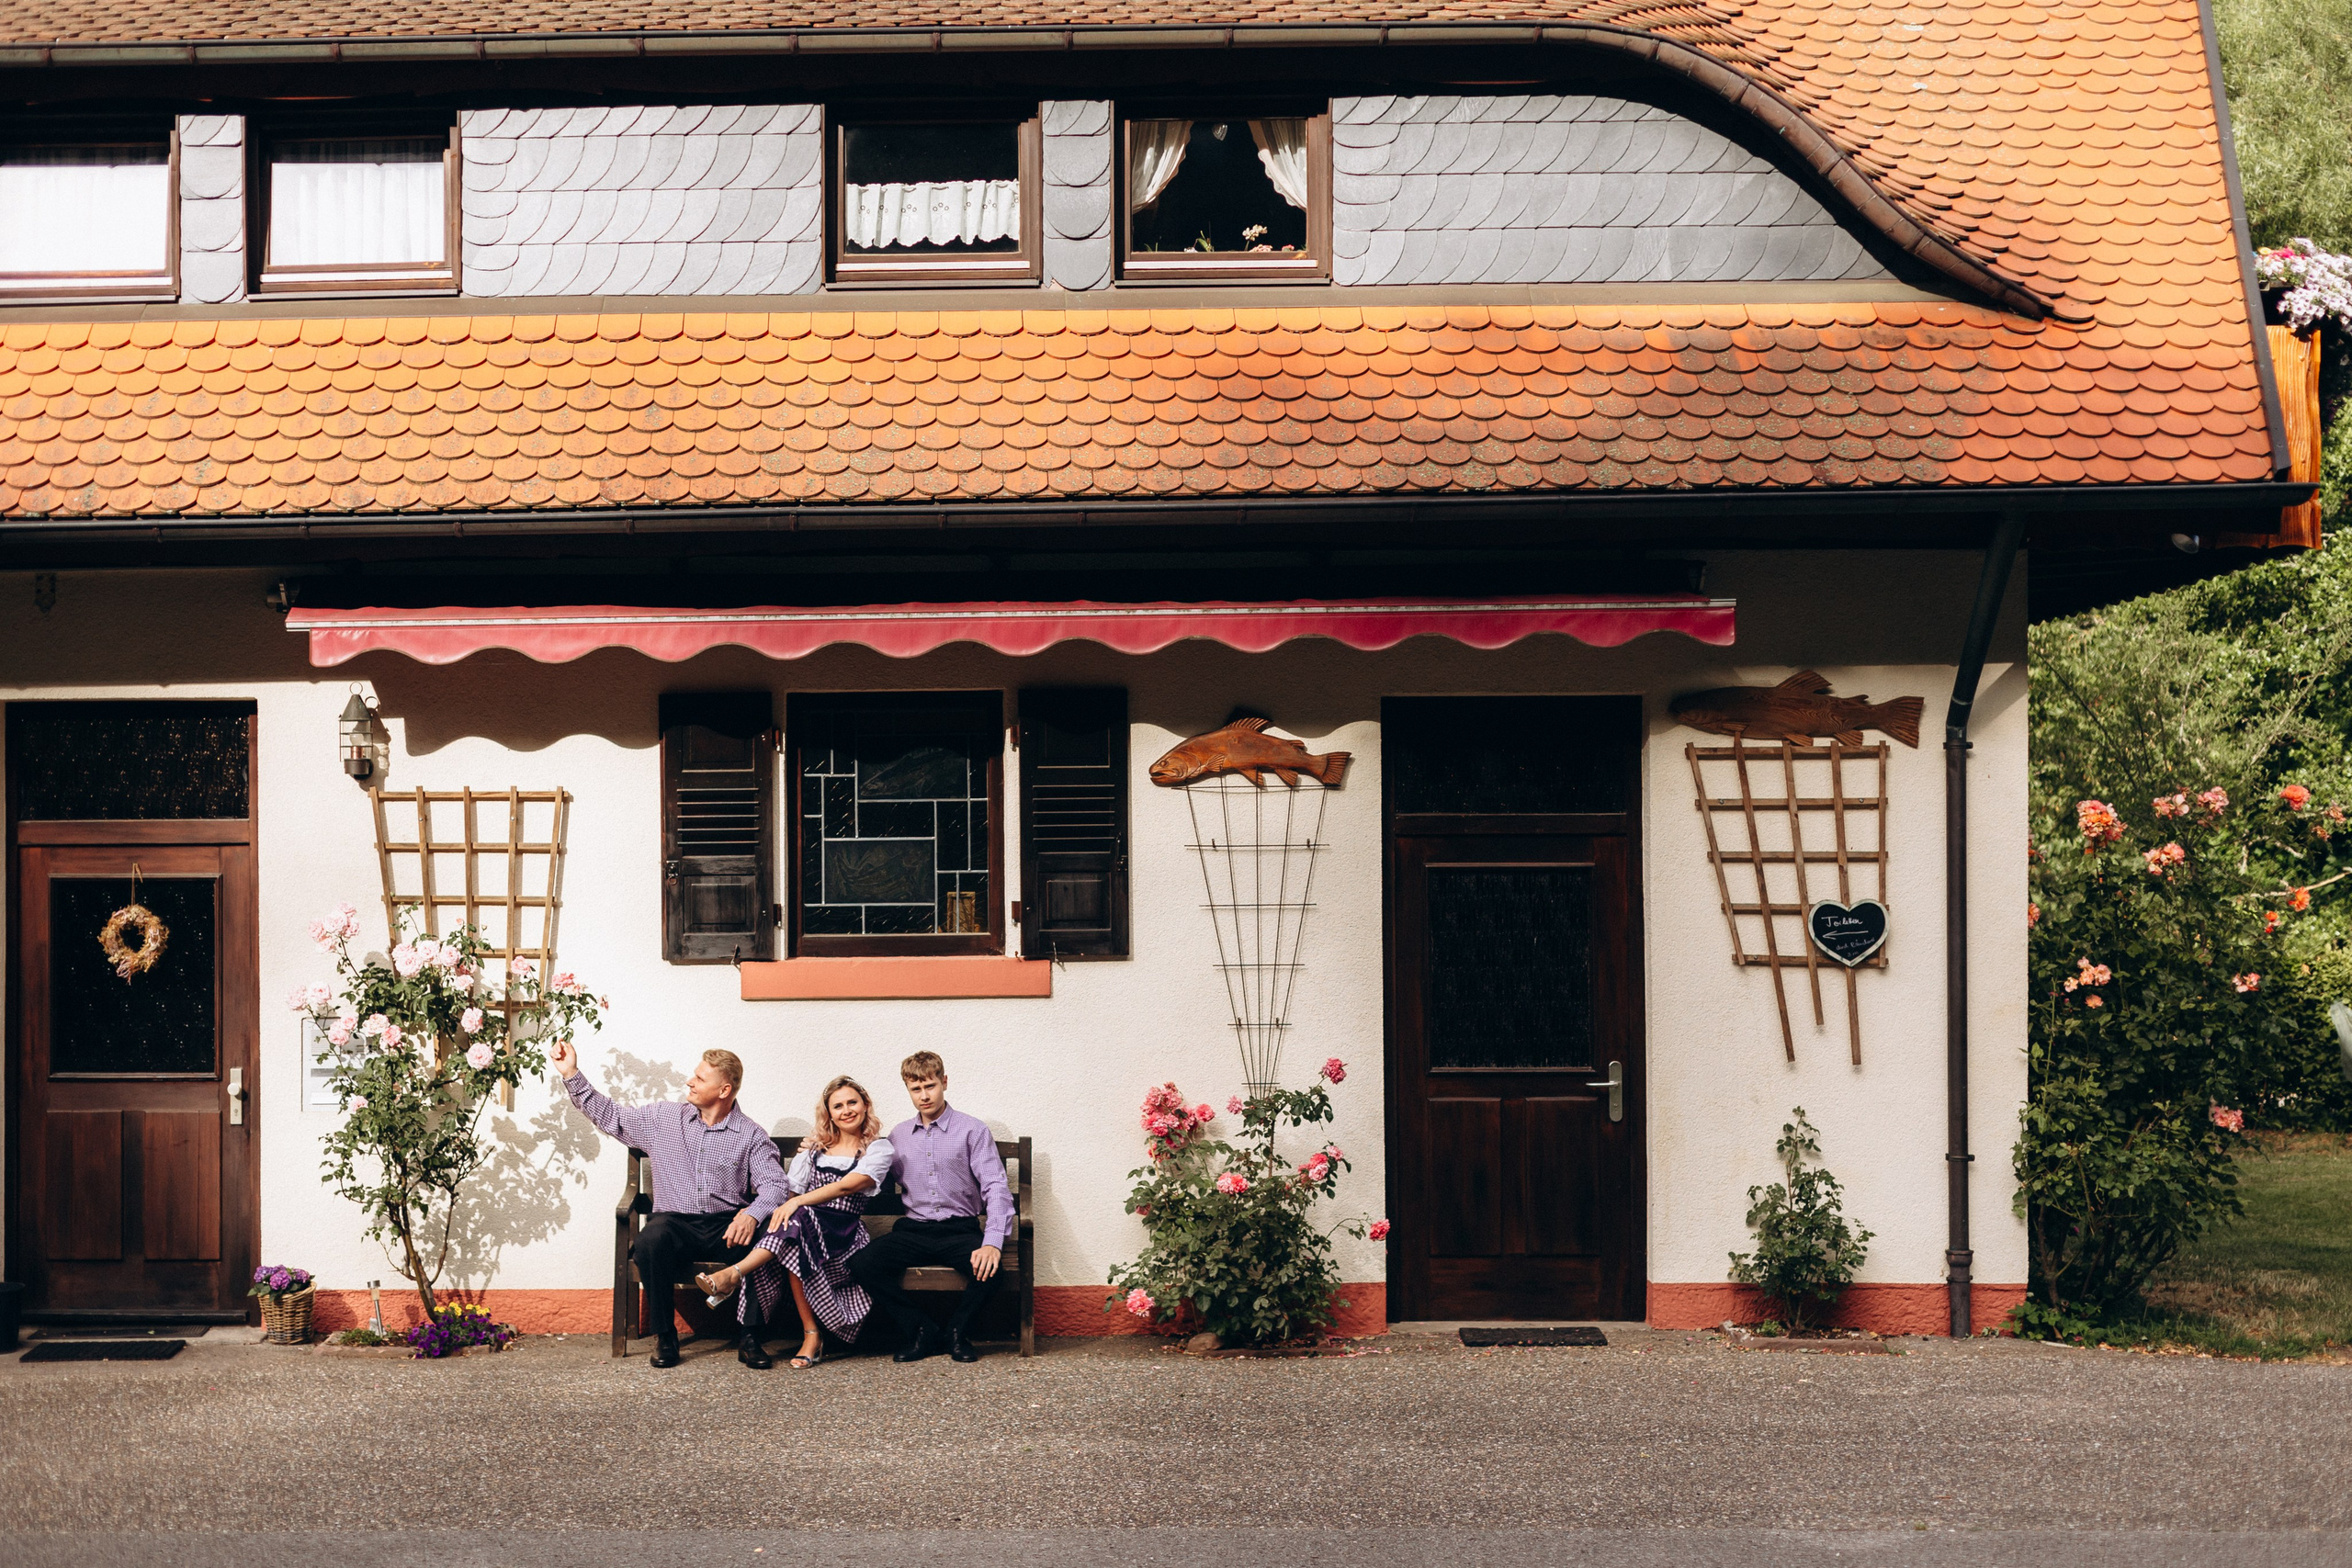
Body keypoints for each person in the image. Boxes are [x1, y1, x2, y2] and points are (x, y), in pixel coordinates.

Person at [551, 1039, 787, 1370]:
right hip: (675, 1224)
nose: (690, 1082)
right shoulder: (663, 1118)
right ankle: (666, 1336)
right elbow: (611, 1116)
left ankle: (751, 1337)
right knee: (650, 1240)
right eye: (694, 1075)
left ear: (724, 1090)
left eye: (700, 1078)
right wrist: (572, 1073)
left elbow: (776, 1185)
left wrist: (751, 1214)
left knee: (772, 1235)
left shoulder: (751, 1135)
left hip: (726, 1227)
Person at [695, 1075, 891, 1370]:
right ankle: (810, 1334)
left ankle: (734, 1275)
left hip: (844, 1236)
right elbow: (787, 1198)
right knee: (795, 1227)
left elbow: (849, 1185)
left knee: (797, 1218)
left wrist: (798, 1202)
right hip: (805, 1235)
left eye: (853, 1102)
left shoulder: (878, 1149)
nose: (847, 1110)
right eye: (838, 1106)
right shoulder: (811, 1152)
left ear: (865, 1106)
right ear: (829, 1114)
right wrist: (763, 1209)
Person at [847, 1050, 1013, 1363]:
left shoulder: (972, 1130)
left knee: (993, 1272)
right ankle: (921, 1329)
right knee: (862, 1264)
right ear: (908, 1090)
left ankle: (956, 1332)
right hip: (915, 1230)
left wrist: (992, 1242)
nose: (924, 1096)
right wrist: (829, 1148)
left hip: (959, 1229)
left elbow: (995, 1186)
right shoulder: (898, 1136)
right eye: (915, 1089)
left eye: (930, 1086)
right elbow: (873, 1179)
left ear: (944, 1082)